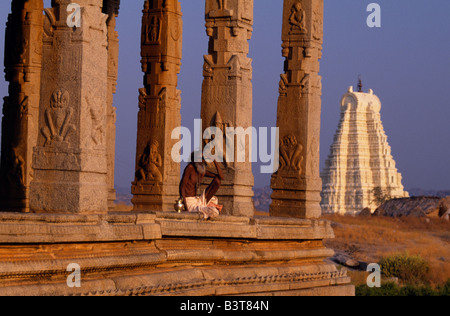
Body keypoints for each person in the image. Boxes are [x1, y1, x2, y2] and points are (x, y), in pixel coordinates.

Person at [179, 153, 224, 219]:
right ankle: (210, 207)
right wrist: (185, 207)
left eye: (203, 159)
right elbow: (182, 187)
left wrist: (214, 160)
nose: (203, 161)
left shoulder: (201, 170)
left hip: (198, 200)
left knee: (217, 181)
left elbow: (221, 177)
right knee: (214, 211)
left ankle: (207, 206)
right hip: (189, 202)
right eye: (201, 159)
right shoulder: (190, 167)